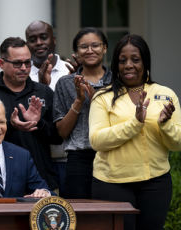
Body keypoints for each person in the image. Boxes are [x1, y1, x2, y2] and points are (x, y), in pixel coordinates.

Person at [89, 34, 181, 230]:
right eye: (122, 60)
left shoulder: (165, 95)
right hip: (112, 184)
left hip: (156, 183)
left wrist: (166, 125)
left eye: (135, 59)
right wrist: (135, 124)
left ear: (145, 62)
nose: (128, 65)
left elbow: (179, 143)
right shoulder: (102, 97)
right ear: (116, 64)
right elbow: (97, 141)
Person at [0, 37, 62, 192]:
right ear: (1, 63)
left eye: (28, 62)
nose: (24, 68)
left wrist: (38, 123)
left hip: (41, 182)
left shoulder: (43, 92)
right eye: (17, 63)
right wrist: (9, 126)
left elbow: (58, 138)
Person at [53, 27, 111, 198]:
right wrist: (78, 101)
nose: (90, 50)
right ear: (77, 52)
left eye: (95, 45)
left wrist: (96, 101)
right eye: (84, 47)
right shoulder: (65, 83)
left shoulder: (116, 81)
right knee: (80, 215)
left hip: (112, 156)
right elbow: (62, 132)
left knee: (110, 214)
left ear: (105, 48)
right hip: (79, 158)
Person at [25, 20, 70, 195]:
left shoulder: (70, 71)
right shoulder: (21, 73)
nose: (38, 43)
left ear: (54, 39)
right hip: (35, 161)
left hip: (66, 159)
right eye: (32, 39)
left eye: (43, 37)